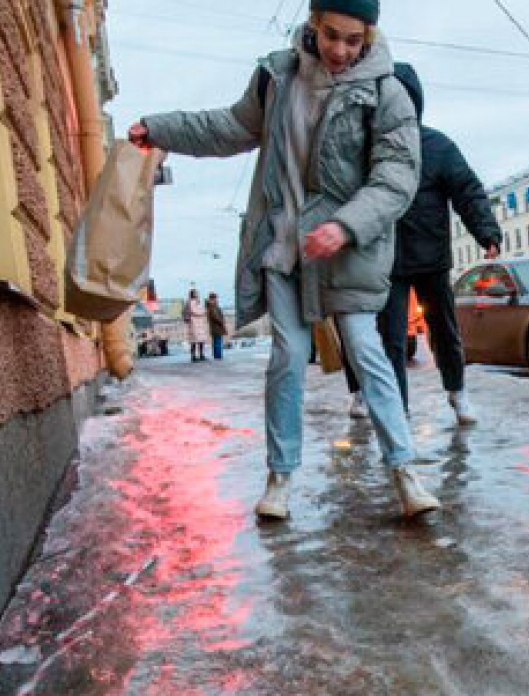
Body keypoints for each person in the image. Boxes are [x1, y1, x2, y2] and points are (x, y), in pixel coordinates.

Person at [129, 0, 439, 520]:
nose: (341, 50)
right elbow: (227, 127)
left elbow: (397, 176)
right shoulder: (277, 78)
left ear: (369, 37)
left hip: (349, 248)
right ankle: (280, 478)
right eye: (331, 35)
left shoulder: (388, 91)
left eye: (354, 40)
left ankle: (404, 473)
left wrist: (344, 226)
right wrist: (159, 128)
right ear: (313, 25)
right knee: (287, 357)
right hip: (284, 244)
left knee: (366, 349)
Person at [343, 62, 502, 424]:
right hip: (386, 261)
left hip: (431, 257)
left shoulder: (437, 146)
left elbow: (468, 191)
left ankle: (458, 393)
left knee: (445, 331)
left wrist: (486, 232)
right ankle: (397, 411)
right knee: (391, 340)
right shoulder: (366, 149)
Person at [186, 289, 209, 362]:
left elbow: (202, 310)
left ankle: (201, 354)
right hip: (194, 323)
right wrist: (203, 312)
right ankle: (193, 356)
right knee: (194, 340)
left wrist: (203, 311)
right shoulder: (190, 302)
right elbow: (195, 311)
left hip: (200, 323)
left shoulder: (198, 302)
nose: (198, 294)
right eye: (196, 293)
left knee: (201, 340)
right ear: (193, 294)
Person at [207, 292, 228, 360]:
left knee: (216, 341)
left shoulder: (212, 306)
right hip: (216, 327)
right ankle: (218, 355)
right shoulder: (212, 307)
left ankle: (216, 355)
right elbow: (215, 316)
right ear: (212, 299)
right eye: (215, 298)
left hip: (215, 327)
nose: (216, 300)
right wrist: (221, 321)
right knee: (218, 341)